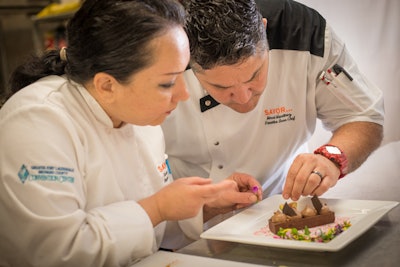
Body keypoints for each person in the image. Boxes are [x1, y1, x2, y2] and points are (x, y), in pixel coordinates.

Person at [0, 0, 262, 266]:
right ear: (107, 86)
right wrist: (157, 207)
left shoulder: (139, 120)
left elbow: (147, 233)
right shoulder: (38, 122)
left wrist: (204, 206)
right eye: (167, 82)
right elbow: (55, 253)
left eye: (183, 74)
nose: (184, 95)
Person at [162, 0, 384, 203]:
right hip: (183, 224)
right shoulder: (158, 52)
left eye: (254, 76)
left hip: (284, 205)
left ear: (264, 28)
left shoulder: (304, 33)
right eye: (222, 87)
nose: (244, 98)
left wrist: (332, 158)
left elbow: (363, 115)